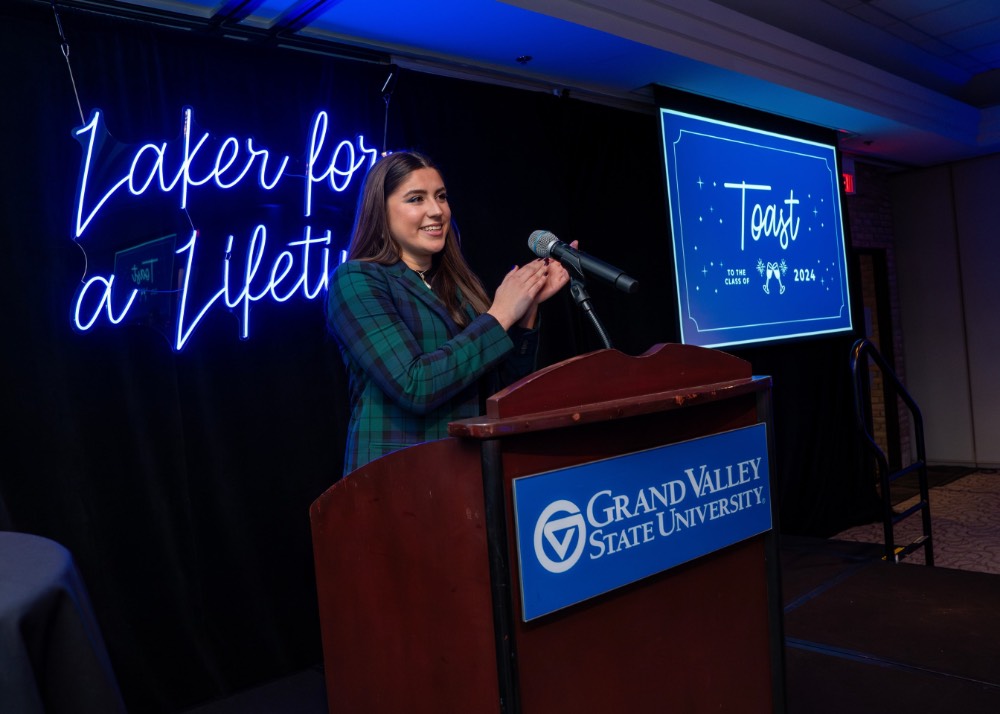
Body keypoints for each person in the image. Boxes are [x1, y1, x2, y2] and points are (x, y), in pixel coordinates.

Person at [326, 151, 570, 476]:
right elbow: (415, 385)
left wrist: (526, 307)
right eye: (416, 199)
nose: (436, 210)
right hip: (398, 483)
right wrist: (499, 315)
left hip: (469, 475)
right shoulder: (356, 279)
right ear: (381, 211)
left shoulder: (459, 288)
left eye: (441, 196)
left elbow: (504, 391)